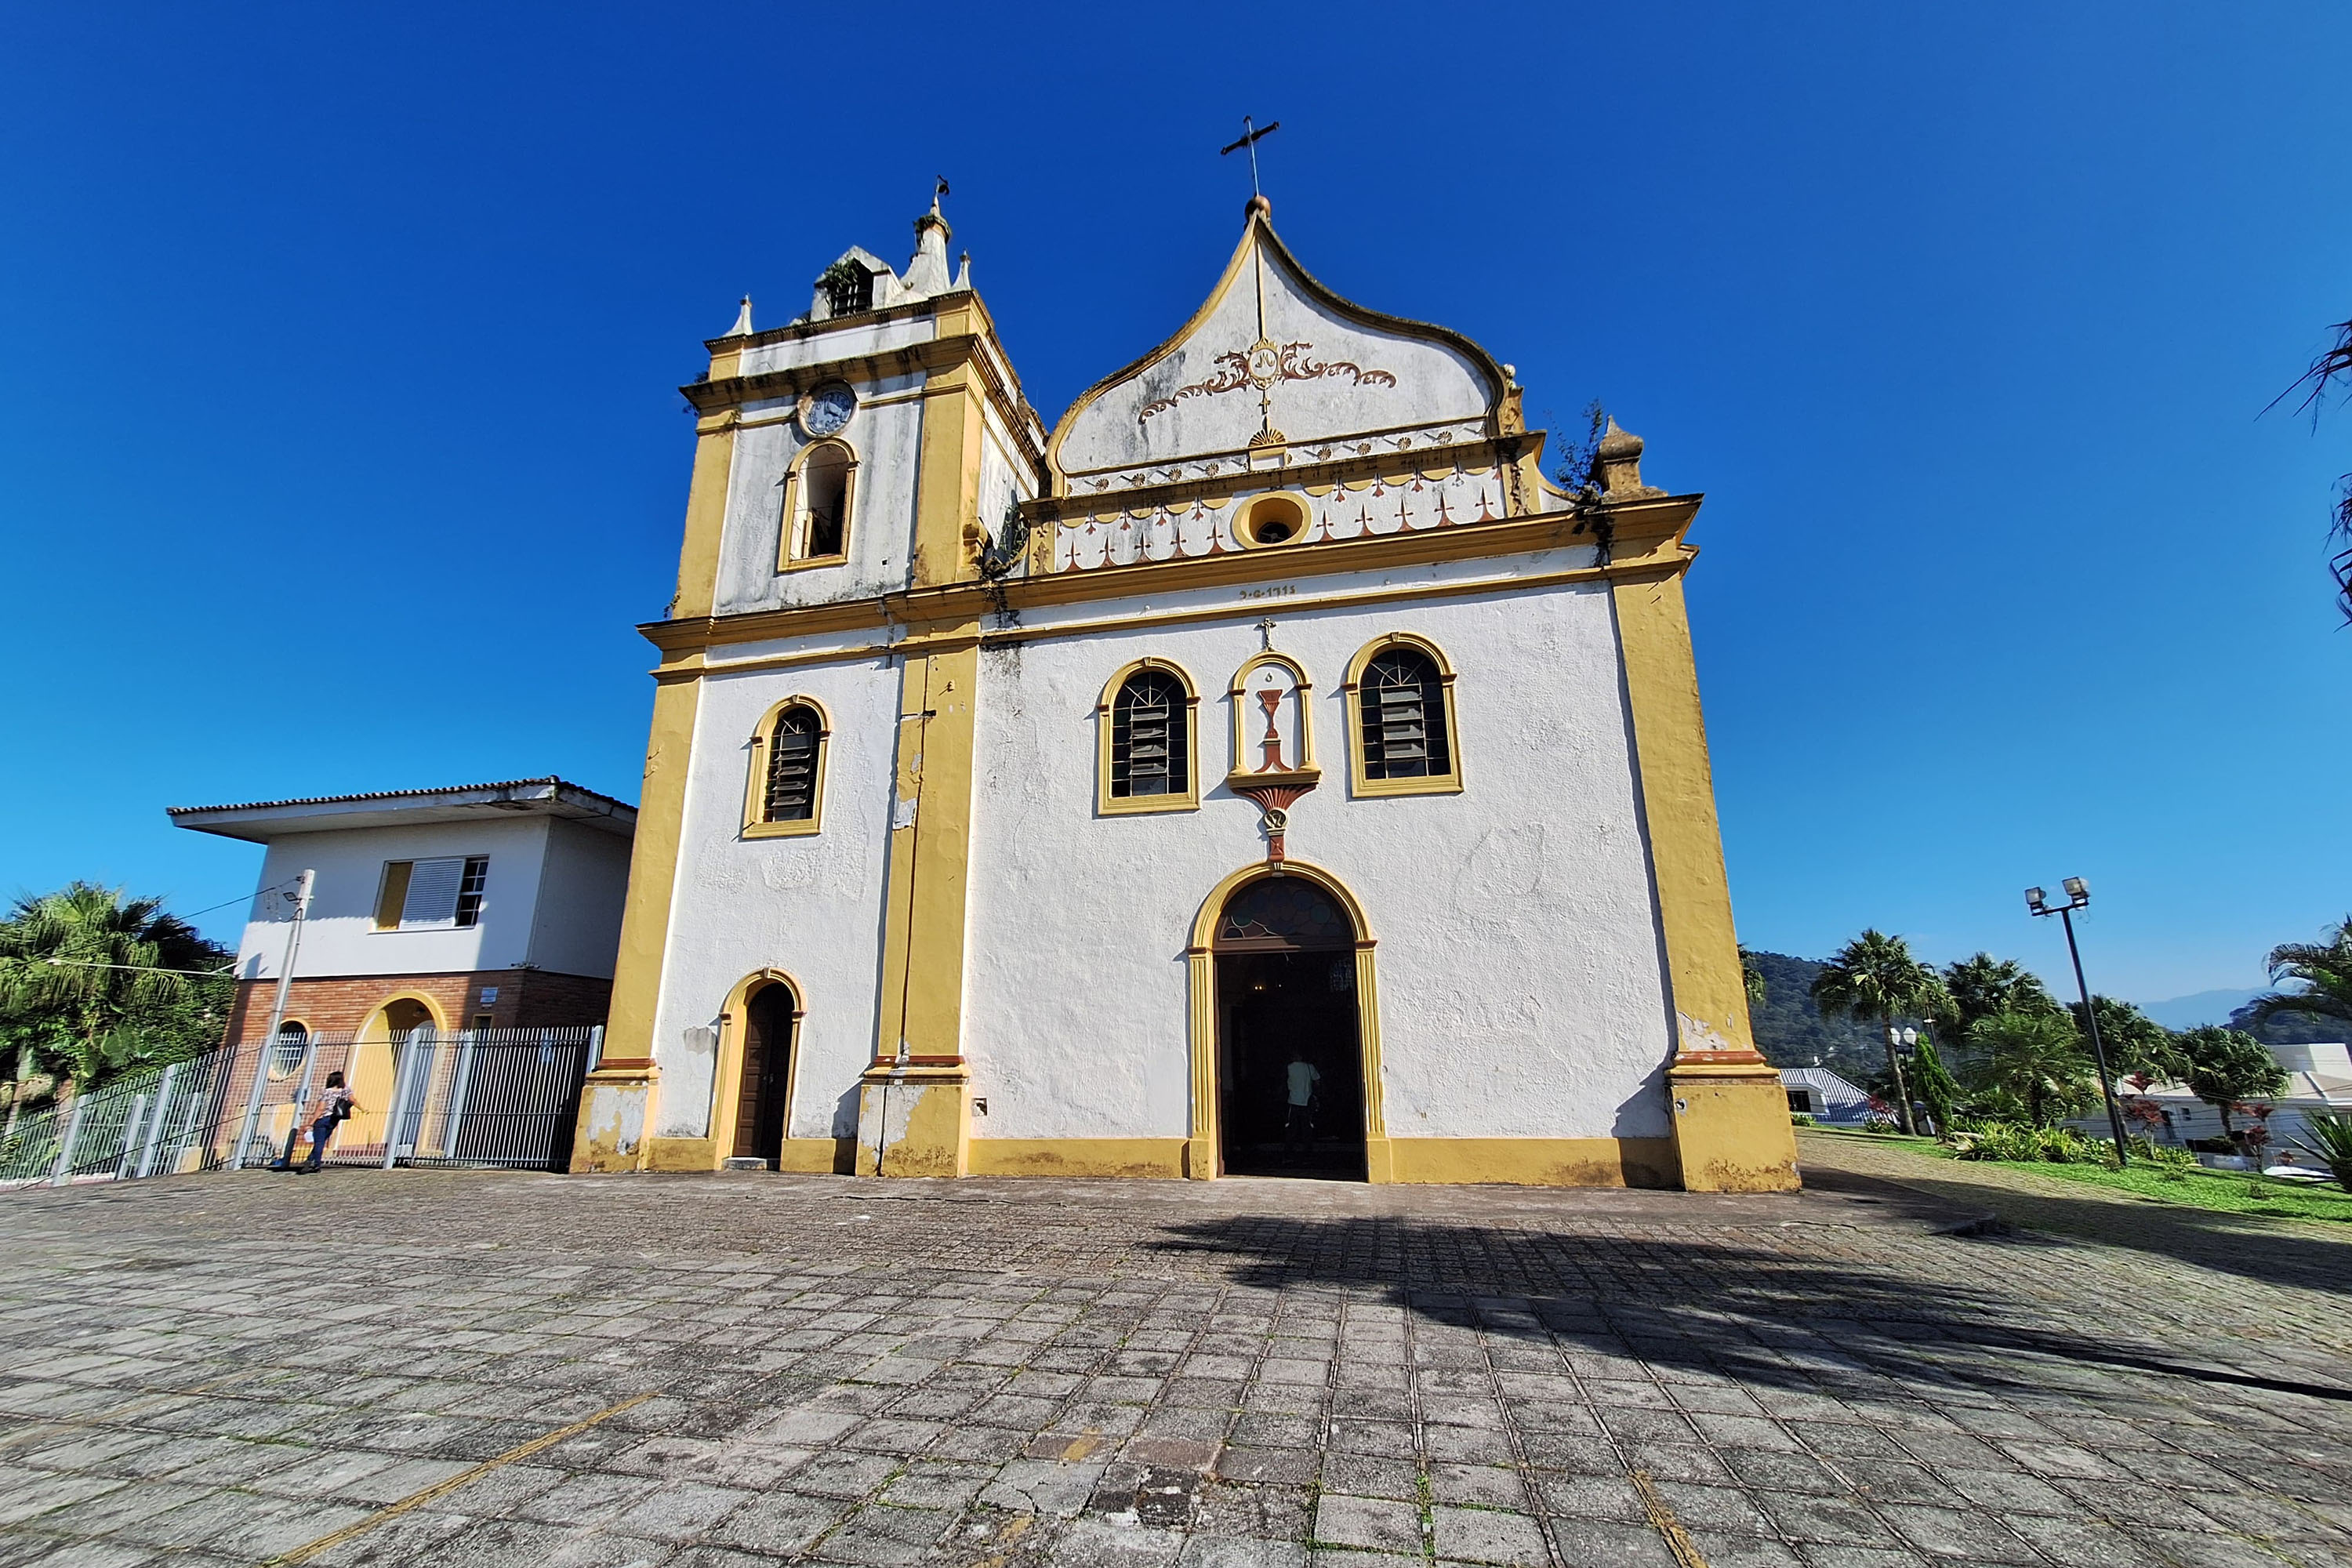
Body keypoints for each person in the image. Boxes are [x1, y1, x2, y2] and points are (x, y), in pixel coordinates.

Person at [288, 1072, 355, 1173]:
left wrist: (311, 1122)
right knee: (322, 1141)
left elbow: (321, 1108)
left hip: (324, 1118)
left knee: (319, 1142)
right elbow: (352, 1100)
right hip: (334, 1119)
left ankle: (317, 1164)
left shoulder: (326, 1092)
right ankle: (310, 1160)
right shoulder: (345, 1090)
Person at [1283, 1054, 1320, 1150]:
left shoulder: (1290, 1067)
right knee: (1306, 1125)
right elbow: (1317, 1080)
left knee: (1292, 1126)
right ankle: (1307, 1147)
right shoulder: (1309, 1067)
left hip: (1294, 1100)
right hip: (1306, 1100)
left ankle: (1289, 1147)